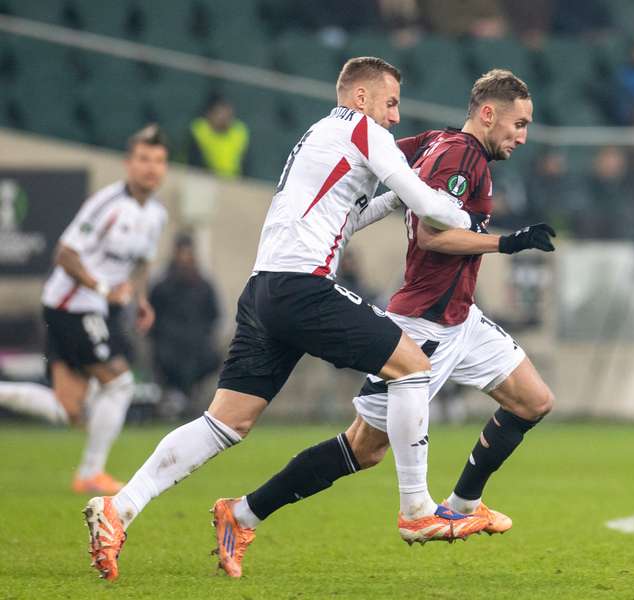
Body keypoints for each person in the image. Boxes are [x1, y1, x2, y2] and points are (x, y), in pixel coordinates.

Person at [83, 56, 492, 582]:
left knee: (225, 422)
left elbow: (349, 219)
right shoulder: (365, 129)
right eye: (391, 103)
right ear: (362, 98)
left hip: (264, 290)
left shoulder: (319, 134)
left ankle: (119, 509)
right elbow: (428, 206)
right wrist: (476, 222)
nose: (394, 116)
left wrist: (393, 195)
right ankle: (417, 510)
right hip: (303, 287)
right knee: (413, 367)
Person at [208, 69, 557, 578]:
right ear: (488, 113)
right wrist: (508, 241)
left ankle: (461, 506)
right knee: (362, 449)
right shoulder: (462, 158)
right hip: (425, 323)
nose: (522, 136)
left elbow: (390, 151)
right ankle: (241, 513)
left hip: (463, 316)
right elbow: (433, 234)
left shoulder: (442, 142)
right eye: (518, 124)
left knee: (533, 400)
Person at [0, 124, 169, 494]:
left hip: (92, 305)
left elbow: (140, 263)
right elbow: (65, 254)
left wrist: (140, 299)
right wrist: (103, 288)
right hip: (72, 304)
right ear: (128, 164)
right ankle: (91, 473)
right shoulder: (107, 203)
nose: (151, 168)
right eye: (143, 159)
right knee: (120, 384)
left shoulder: (156, 214)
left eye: (158, 161)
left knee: (71, 410)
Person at [148, 233, 221, 416]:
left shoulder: (203, 285)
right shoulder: (162, 286)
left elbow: (214, 315)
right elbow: (151, 316)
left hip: (197, 346)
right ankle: (175, 399)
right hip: (169, 346)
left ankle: (186, 399)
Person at [187, 96, 249, 178]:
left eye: (228, 115)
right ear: (209, 114)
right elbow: (193, 161)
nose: (224, 119)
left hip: (233, 182)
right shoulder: (199, 130)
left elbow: (246, 163)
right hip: (204, 178)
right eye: (220, 114)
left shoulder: (240, 133)